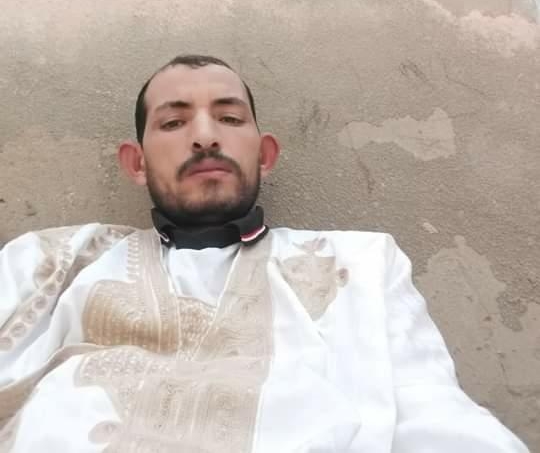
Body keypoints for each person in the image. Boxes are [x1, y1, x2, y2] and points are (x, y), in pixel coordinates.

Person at [0, 55, 529, 453]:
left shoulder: (361, 266)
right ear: (136, 163)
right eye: (174, 122)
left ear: (265, 154)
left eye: (229, 119)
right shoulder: (51, 263)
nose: (205, 137)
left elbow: (432, 411)